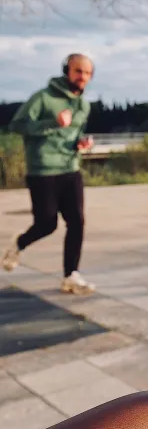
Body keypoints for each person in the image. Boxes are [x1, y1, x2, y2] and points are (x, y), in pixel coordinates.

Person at [1, 54, 96, 294]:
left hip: (70, 168)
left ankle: (71, 275)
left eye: (87, 73)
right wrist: (52, 123)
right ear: (66, 71)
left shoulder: (83, 105)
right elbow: (17, 125)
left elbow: (73, 135)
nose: (82, 77)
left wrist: (81, 143)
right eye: (78, 71)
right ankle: (19, 243)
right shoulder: (43, 98)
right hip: (43, 170)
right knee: (46, 224)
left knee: (77, 221)